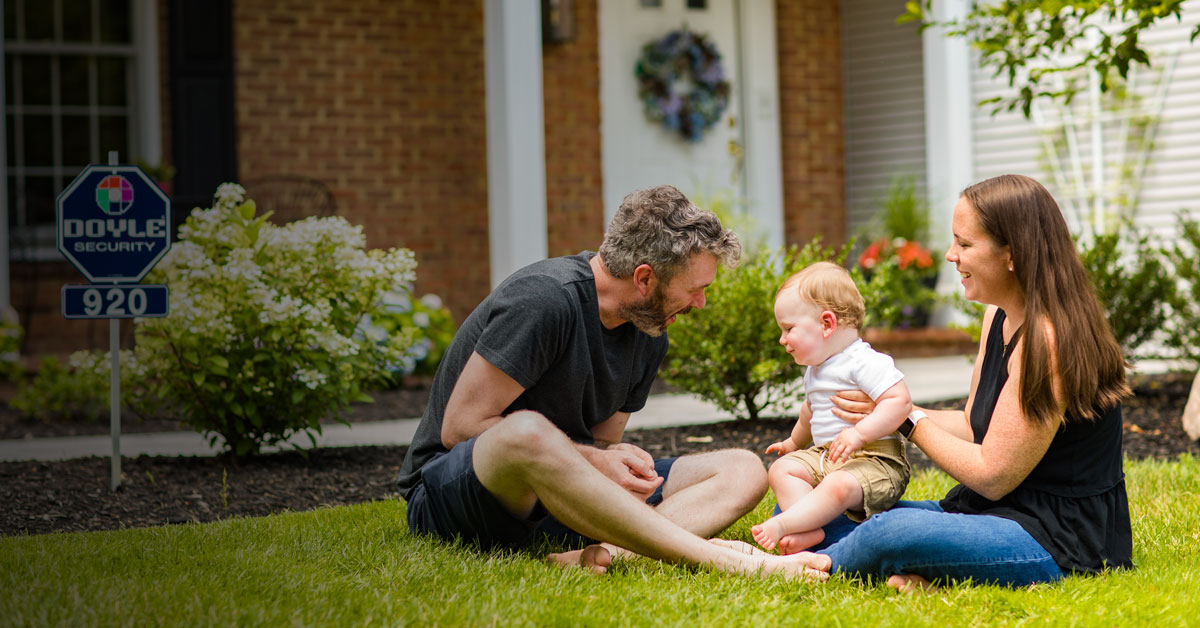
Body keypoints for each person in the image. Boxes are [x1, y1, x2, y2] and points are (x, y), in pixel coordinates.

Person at [717, 174, 1134, 590]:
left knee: (891, 531)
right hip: (990, 514)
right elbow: (975, 425)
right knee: (817, 506)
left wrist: (907, 420)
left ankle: (799, 567)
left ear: (1012, 253)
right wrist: (883, 411)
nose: (951, 255)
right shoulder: (1000, 317)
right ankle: (924, 574)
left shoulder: (1048, 340)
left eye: (965, 244)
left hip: (1055, 538)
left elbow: (993, 474)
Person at [397, 184, 825, 580]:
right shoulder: (544, 299)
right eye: (695, 289)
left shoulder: (649, 327)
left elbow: (601, 445)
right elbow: (460, 427)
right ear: (644, 278)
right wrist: (598, 461)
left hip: (561, 500)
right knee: (526, 431)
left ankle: (605, 554)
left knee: (743, 468)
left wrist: (617, 464)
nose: (702, 302)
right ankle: (728, 561)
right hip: (461, 494)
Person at [752, 262, 913, 554]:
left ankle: (787, 524)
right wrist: (793, 442)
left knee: (837, 485)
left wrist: (859, 434)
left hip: (874, 460)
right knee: (781, 470)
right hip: (828, 456)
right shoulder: (816, 369)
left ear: (827, 324)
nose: (782, 339)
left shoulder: (864, 361)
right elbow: (809, 412)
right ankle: (808, 529)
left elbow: (899, 402)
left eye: (789, 329)